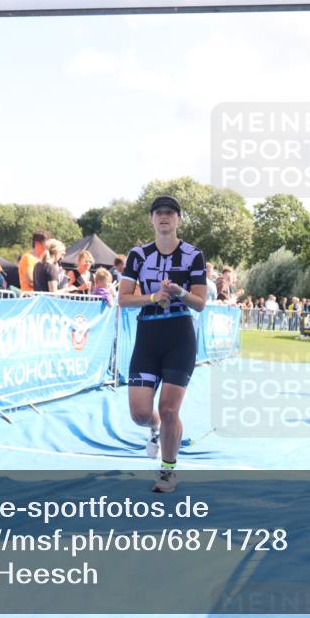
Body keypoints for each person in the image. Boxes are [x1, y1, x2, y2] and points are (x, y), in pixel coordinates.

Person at [118, 196, 207, 494]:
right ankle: (155, 430)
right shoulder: (138, 255)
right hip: (148, 337)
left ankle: (168, 470)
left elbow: (201, 304)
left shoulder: (194, 255)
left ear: (179, 219)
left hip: (179, 338)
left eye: (170, 213)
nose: (164, 217)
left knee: (169, 408)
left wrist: (179, 291)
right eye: (159, 213)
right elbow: (123, 299)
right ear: (152, 219)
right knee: (140, 414)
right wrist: (154, 297)